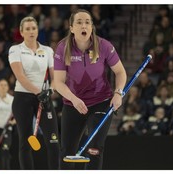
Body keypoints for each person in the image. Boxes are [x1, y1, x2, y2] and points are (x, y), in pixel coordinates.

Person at [53, 9, 127, 170]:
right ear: (71, 28)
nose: (83, 25)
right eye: (79, 22)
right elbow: (58, 82)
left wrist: (118, 93)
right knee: (66, 152)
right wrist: (73, 98)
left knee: (94, 149)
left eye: (87, 22)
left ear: (92, 27)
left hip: (101, 102)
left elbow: (120, 72)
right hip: (73, 103)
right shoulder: (62, 48)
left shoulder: (104, 46)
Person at [8, 16, 59, 170]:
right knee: (25, 142)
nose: (31, 31)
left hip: (44, 98)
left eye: (34, 28)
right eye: (28, 29)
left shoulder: (48, 50)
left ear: (38, 30)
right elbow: (21, 77)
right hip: (23, 98)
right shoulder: (15, 49)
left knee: (54, 140)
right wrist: (39, 92)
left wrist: (50, 90)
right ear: (22, 32)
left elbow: (55, 77)